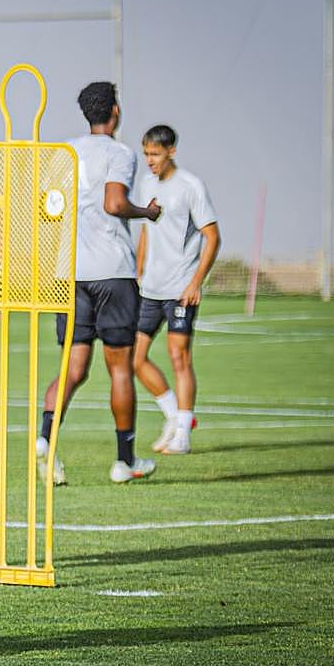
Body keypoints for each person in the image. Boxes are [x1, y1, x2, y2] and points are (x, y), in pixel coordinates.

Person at [35, 82, 163, 485]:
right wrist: (147, 213)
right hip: (111, 270)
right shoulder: (119, 153)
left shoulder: (65, 152)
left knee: (72, 368)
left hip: (71, 272)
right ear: (115, 111)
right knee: (120, 368)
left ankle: (44, 439)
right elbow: (114, 203)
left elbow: (48, 209)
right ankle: (125, 462)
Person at [132, 124, 220, 454]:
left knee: (178, 357)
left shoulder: (191, 186)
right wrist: (138, 271)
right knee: (134, 359)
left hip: (180, 289)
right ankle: (173, 416)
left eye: (155, 154)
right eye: (146, 154)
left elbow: (213, 237)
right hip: (150, 289)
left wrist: (195, 283)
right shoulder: (145, 184)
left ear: (171, 151)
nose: (150, 160)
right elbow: (146, 231)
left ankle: (183, 434)